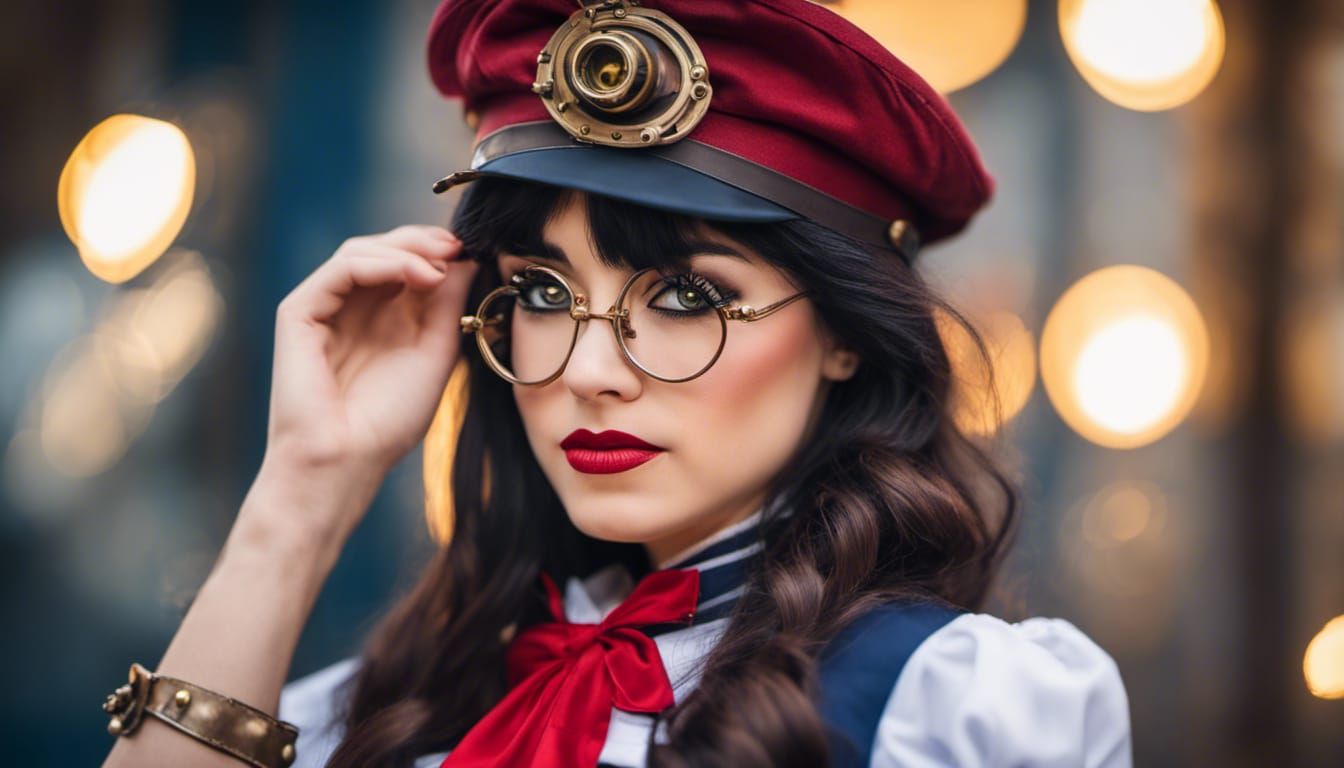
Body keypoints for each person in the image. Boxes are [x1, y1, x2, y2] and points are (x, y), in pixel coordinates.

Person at [101, 1, 1133, 767]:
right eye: (542, 294)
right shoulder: (390, 703)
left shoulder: (954, 707)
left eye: (685, 297)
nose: (590, 372)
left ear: (842, 336)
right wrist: (300, 496)